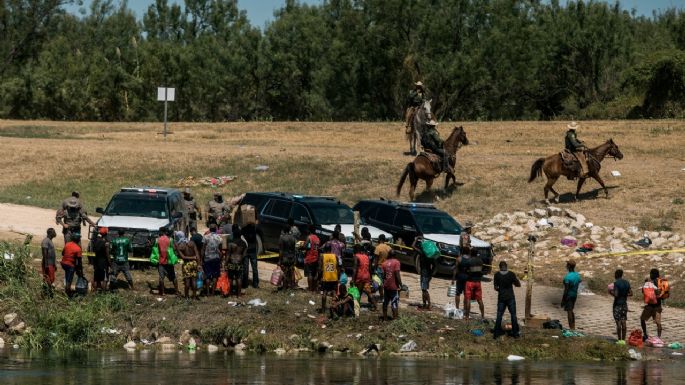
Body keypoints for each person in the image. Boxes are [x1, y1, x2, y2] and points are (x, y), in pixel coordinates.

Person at [493, 261, 521, 339]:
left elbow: (495, 288)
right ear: (506, 266)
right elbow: (518, 285)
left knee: (499, 315)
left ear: (500, 267)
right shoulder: (511, 274)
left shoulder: (497, 275)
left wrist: (500, 290)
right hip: (510, 297)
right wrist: (516, 280)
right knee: (513, 315)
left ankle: (496, 333)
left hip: (501, 297)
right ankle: (515, 333)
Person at [151, 227, 179, 296]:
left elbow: (154, 249)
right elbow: (174, 249)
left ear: (161, 232)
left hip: (161, 262)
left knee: (161, 278)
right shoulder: (170, 239)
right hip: (169, 262)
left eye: (159, 232)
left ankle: (162, 292)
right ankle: (176, 291)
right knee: (173, 277)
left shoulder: (157, 240)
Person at [413, 237, 438, 310]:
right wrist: (432, 274)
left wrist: (416, 239)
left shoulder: (422, 253)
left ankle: (428, 304)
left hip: (424, 273)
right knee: (424, 289)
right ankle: (424, 304)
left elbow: (413, 246)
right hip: (428, 273)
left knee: (424, 290)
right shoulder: (430, 256)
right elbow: (435, 266)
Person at [175, 231, 201, 299]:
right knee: (194, 280)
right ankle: (194, 297)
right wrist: (199, 264)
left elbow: (183, 257)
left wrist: (191, 257)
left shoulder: (180, 246)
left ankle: (186, 297)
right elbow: (197, 254)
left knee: (187, 281)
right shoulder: (192, 243)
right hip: (194, 263)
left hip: (186, 264)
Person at [641, 268, 664, 340]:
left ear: (653, 275)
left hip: (650, 306)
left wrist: (645, 285)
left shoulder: (652, 282)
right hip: (658, 305)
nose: (650, 275)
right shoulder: (661, 283)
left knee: (642, 319)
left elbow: (644, 291)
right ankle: (659, 338)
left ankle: (645, 335)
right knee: (658, 323)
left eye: (651, 274)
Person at [610, 269, 632, 343]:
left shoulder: (616, 283)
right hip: (624, 305)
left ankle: (619, 340)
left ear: (616, 275)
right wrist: (624, 294)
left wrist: (610, 292)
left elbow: (616, 295)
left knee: (618, 323)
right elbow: (631, 293)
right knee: (624, 322)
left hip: (617, 305)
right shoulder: (627, 282)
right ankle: (623, 340)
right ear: (622, 275)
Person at [353, 243, 376, 310]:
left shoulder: (356, 256)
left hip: (360, 277)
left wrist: (353, 279)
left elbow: (355, 269)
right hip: (367, 276)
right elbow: (370, 268)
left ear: (355, 250)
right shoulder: (366, 256)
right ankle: (375, 306)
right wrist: (371, 277)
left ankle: (356, 308)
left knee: (358, 292)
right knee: (369, 292)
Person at [202, 224, 223, 296]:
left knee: (207, 276)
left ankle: (208, 292)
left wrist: (201, 259)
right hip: (216, 258)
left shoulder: (205, 237)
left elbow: (203, 249)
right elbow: (220, 250)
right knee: (215, 276)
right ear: (216, 229)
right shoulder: (219, 238)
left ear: (210, 229)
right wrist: (221, 259)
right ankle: (213, 292)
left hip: (207, 258)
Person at [464, 249, 485, 320]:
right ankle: (482, 316)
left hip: (470, 281)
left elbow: (466, 270)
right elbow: (481, 271)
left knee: (468, 299)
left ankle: (467, 316)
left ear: (471, 253)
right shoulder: (480, 261)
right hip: (478, 282)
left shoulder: (469, 261)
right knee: (480, 300)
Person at [381, 250, 402, 321]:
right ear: (395, 255)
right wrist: (401, 284)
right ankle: (395, 318)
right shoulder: (396, 262)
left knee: (385, 302)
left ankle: (385, 317)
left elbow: (383, 276)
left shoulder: (384, 263)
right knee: (394, 302)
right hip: (394, 286)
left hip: (386, 285)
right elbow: (397, 274)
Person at [561, 260, 582, 330]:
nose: (566, 266)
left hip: (569, 296)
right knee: (571, 310)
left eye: (567, 265)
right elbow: (579, 281)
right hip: (574, 295)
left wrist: (563, 300)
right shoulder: (577, 275)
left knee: (569, 311)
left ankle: (571, 328)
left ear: (569, 266)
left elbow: (566, 290)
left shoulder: (568, 277)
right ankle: (573, 326)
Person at [278, 225, 298, 290]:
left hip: (285, 258)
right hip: (292, 257)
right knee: (292, 272)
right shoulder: (293, 238)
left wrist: (279, 260)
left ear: (283, 230)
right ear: (289, 230)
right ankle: (292, 287)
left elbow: (281, 251)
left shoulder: (282, 238)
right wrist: (295, 259)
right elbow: (294, 250)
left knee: (285, 273)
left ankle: (284, 287)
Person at [241, 219, 259, 289]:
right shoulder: (254, 228)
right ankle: (255, 284)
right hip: (253, 251)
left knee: (245, 268)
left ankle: (245, 284)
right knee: (254, 268)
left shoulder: (243, 229)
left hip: (246, 251)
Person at [320, 249, 339, 314]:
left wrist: (320, 277)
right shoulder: (335, 256)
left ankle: (323, 310)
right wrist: (338, 277)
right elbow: (338, 267)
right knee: (334, 292)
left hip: (326, 278)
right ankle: (334, 309)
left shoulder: (322, 256)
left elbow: (320, 268)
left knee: (324, 292)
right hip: (334, 277)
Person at [92, 227, 110, 292]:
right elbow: (107, 254)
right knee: (104, 279)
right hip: (103, 262)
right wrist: (110, 263)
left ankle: (94, 291)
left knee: (96, 278)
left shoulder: (95, 241)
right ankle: (104, 293)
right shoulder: (105, 243)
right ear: (105, 234)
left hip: (96, 261)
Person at [303, 225, 321, 292]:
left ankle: (310, 288)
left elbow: (305, 246)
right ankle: (314, 288)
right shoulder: (317, 238)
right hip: (316, 257)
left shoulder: (309, 237)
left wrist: (303, 245)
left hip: (310, 257)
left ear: (309, 230)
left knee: (310, 273)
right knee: (314, 273)